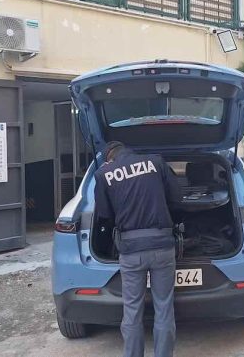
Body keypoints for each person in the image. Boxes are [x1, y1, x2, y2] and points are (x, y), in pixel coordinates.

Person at [94, 141, 181, 357]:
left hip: (131, 250)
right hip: (162, 246)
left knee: (132, 311)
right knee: (164, 308)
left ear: (109, 158)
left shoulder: (104, 174)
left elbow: (104, 215)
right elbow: (177, 199)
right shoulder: (156, 162)